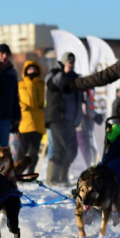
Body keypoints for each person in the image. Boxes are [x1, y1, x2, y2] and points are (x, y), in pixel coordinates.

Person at [46, 52, 81, 184]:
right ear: (63, 62)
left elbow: (79, 99)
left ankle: (62, 177)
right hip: (57, 118)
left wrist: (78, 118)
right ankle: (52, 179)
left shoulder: (74, 78)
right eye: (68, 61)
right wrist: (63, 72)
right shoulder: (54, 74)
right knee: (61, 149)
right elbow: (52, 86)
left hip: (71, 120)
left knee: (72, 151)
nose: (70, 64)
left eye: (72, 62)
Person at [0, 44, 20, 148]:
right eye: (1, 53)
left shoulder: (12, 73)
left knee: (3, 149)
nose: (4, 56)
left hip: (6, 116)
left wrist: (16, 116)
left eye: (7, 54)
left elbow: (15, 95)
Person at [17, 60, 45, 173]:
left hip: (38, 122)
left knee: (34, 151)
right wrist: (23, 107)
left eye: (34, 69)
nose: (32, 71)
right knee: (22, 150)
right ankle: (17, 171)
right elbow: (16, 100)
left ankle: (31, 171)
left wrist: (43, 107)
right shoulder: (20, 85)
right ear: (25, 71)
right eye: (30, 69)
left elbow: (45, 100)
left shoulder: (42, 85)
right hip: (25, 122)